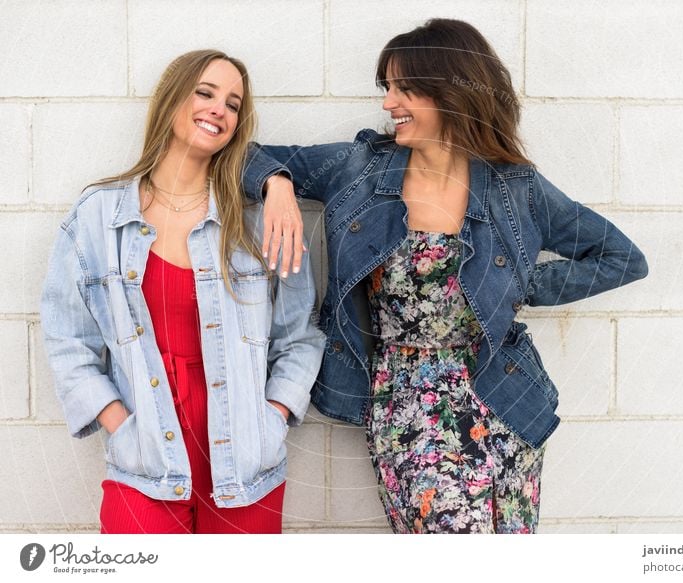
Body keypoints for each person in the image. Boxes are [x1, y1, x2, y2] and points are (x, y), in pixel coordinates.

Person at [245, 19, 649, 533]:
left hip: (503, 398)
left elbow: (621, 258)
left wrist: (524, 286)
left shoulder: (514, 187)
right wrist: (277, 183)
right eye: (386, 88)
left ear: (451, 91)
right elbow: (242, 155)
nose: (389, 103)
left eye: (404, 89)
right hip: (409, 406)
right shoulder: (359, 168)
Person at [40, 49, 325, 534]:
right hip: (145, 461)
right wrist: (120, 426)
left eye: (233, 104)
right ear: (172, 100)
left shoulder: (262, 222)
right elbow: (69, 341)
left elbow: (300, 335)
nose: (220, 109)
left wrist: (272, 417)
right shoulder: (98, 217)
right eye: (206, 93)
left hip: (246, 468)